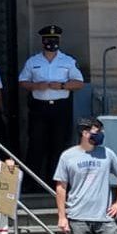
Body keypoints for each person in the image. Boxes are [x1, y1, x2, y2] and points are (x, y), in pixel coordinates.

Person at [19, 24, 83, 185]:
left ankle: (55, 182)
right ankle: (32, 183)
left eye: (54, 40)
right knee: (36, 144)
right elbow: (23, 81)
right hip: (39, 107)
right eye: (48, 40)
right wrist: (36, 86)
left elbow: (79, 82)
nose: (51, 43)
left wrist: (61, 86)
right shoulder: (33, 61)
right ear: (43, 41)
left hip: (60, 107)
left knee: (59, 144)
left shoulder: (68, 61)